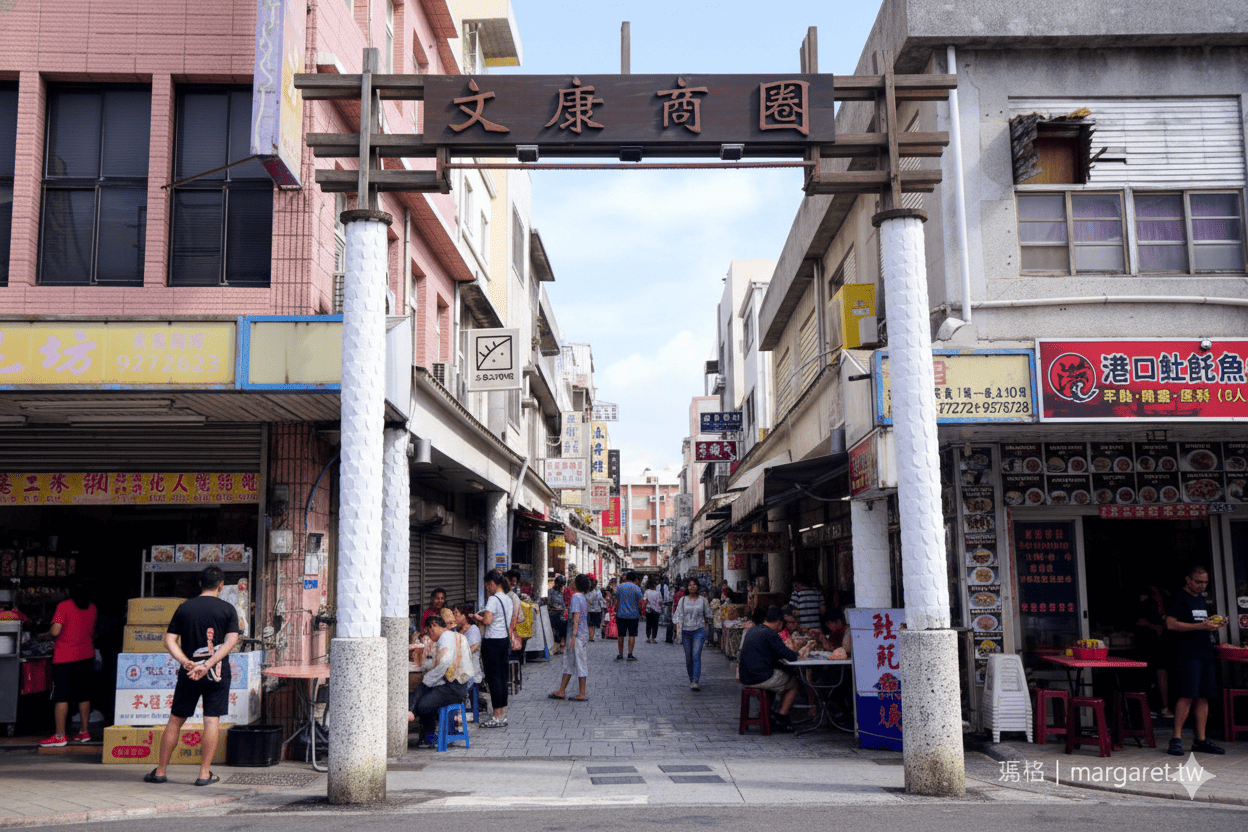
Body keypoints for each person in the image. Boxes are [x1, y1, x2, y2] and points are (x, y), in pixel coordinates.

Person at [144, 566, 240, 785]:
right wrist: (207, 664)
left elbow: (169, 641)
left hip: (189, 673)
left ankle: (160, 771)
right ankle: (204, 774)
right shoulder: (227, 609)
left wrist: (187, 662)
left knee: (176, 720)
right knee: (211, 721)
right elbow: (231, 640)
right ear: (221, 586)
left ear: (200, 584)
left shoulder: (184, 607)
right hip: (215, 673)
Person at [1165, 565, 1227, 755]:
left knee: (1204, 695)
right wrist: (1200, 627)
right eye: (1199, 582)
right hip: (1187, 652)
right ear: (1188, 580)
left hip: (1205, 651)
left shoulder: (1202, 599)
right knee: (1188, 694)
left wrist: (1216, 624)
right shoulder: (1180, 598)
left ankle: (1200, 739)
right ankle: (1176, 738)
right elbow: (1171, 624)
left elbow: (1204, 623)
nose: (1202, 586)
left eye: (1205, 582)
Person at [39, 581, 97, 747]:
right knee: (83, 695)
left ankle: (59, 735)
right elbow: (92, 633)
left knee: (62, 696)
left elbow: (55, 631)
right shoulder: (92, 607)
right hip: (86, 655)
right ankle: (84, 732)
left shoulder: (64, 606)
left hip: (65, 657)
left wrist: (43, 635)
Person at [407, 614, 474, 748]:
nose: (429, 635)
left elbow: (444, 663)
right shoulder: (457, 636)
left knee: (423, 704)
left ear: (434, 626)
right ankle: (424, 732)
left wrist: (428, 679)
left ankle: (427, 735)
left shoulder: (446, 637)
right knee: (424, 691)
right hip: (458, 686)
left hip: (453, 688)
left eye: (429, 631)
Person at [737, 606, 801, 732]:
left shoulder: (753, 630)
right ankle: (781, 717)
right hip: (759, 677)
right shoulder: (770, 633)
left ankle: (767, 714)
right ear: (779, 622)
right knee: (794, 684)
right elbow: (789, 655)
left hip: (746, 676)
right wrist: (798, 653)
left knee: (776, 682)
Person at [471, 570, 513, 728]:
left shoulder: (493, 599)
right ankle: (502, 713)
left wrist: (476, 617)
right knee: (502, 678)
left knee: (493, 679)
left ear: (497, 583)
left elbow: (487, 620)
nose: (488, 587)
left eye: (489, 584)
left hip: (492, 642)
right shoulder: (508, 599)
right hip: (504, 640)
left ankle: (496, 717)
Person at [550, 574, 591, 701]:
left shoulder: (576, 596)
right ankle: (561, 690)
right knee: (569, 662)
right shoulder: (583, 597)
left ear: (576, 584)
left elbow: (577, 616)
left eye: (573, 581)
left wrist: (573, 635)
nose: (571, 583)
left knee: (579, 662)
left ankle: (582, 693)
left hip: (577, 636)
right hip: (580, 635)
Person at [1133, 584, 1172, 718]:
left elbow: (1141, 621)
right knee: (1154, 673)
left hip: (1154, 642)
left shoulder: (1161, 598)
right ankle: (1159, 708)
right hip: (1151, 641)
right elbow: (1140, 621)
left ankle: (1157, 708)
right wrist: (1154, 626)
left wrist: (1154, 626)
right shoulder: (1159, 598)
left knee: (1153, 674)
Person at [675, 577, 712, 690]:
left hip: (699, 630)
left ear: (697, 586)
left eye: (694, 584)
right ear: (687, 587)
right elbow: (678, 615)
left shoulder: (703, 600)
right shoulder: (683, 600)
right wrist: (677, 627)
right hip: (686, 631)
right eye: (690, 585)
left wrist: (708, 619)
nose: (692, 587)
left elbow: (709, 614)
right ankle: (691, 678)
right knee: (688, 657)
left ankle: (695, 681)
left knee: (696, 655)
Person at [614, 571, 644, 661]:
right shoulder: (637, 588)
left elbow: (616, 600)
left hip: (621, 614)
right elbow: (641, 602)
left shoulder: (620, 587)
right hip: (633, 615)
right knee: (632, 634)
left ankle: (620, 654)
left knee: (621, 635)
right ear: (635, 579)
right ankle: (630, 654)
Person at [452, 604, 484, 687]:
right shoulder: (456, 630)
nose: (454, 617)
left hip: (471, 675)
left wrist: (456, 656)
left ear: (464, 615)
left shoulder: (473, 629)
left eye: (456, 614)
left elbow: (474, 647)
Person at [547, 576, 567, 655]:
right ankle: (554, 646)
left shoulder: (560, 593)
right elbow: (548, 601)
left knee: (562, 630)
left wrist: (564, 609)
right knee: (554, 631)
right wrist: (553, 606)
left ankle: (561, 646)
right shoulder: (550, 592)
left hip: (560, 613)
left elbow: (563, 603)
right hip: (553, 613)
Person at [643, 578, 663, 644]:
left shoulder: (647, 592)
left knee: (648, 624)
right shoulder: (658, 593)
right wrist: (660, 610)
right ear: (655, 586)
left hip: (648, 610)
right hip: (656, 610)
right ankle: (653, 638)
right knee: (655, 625)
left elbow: (644, 600)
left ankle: (648, 638)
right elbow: (660, 602)